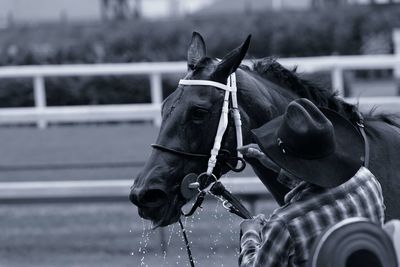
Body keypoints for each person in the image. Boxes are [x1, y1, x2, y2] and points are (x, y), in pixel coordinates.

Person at [237, 98, 385, 267]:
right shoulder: (367, 180)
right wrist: (282, 170)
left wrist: (250, 233)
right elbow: (325, 195)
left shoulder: (285, 223)